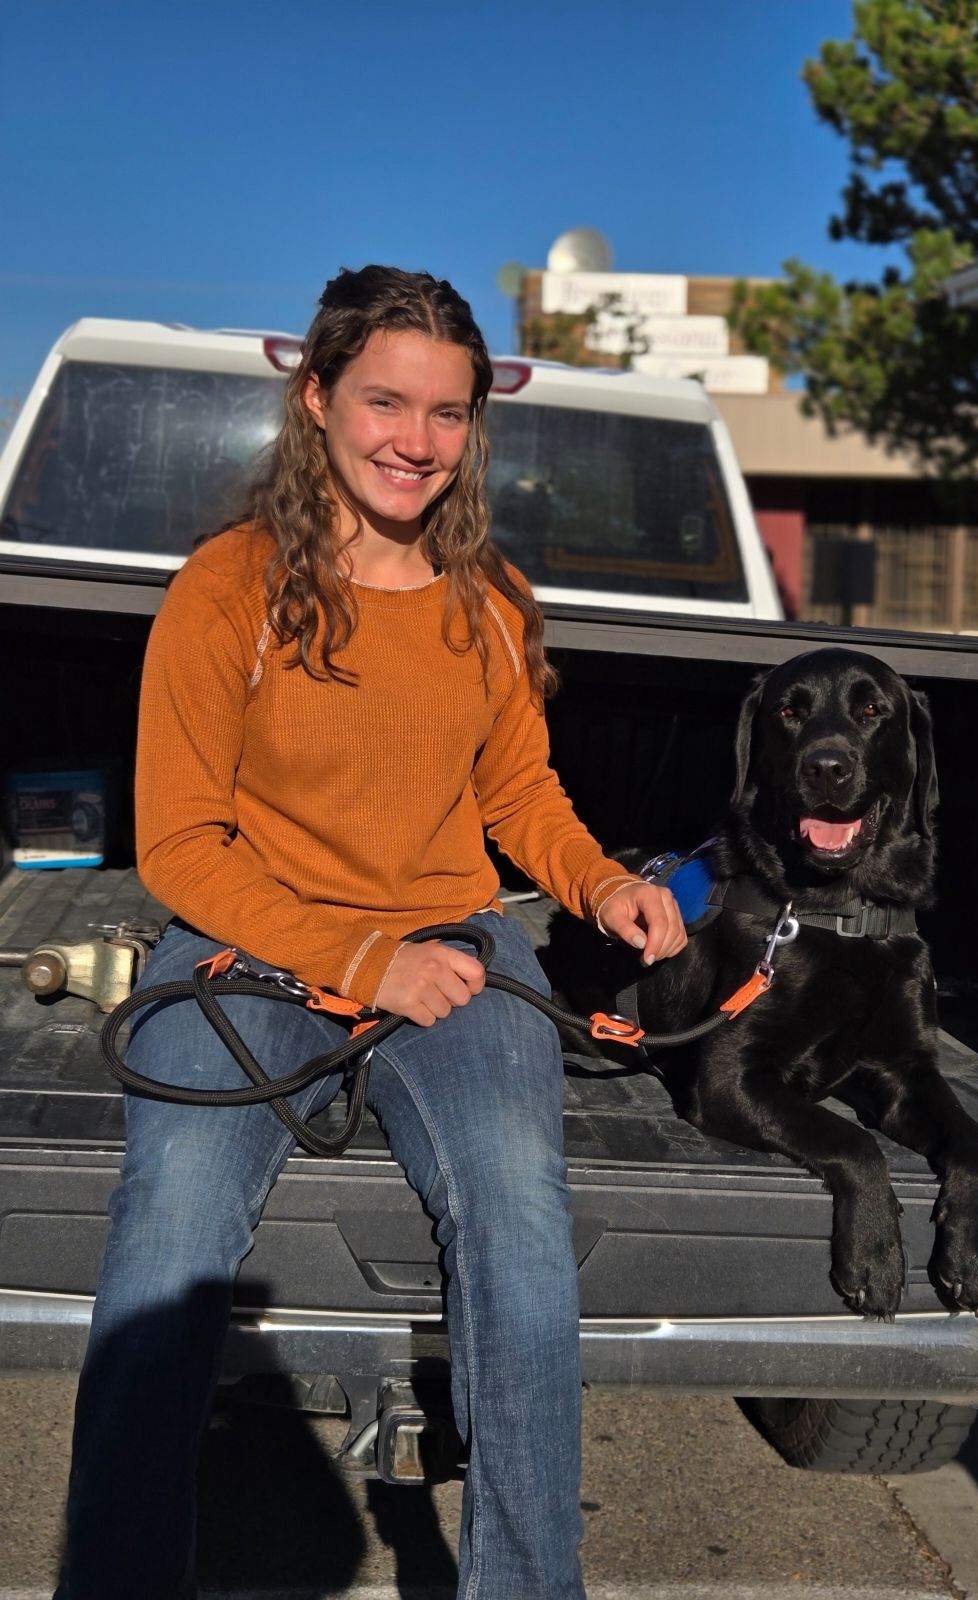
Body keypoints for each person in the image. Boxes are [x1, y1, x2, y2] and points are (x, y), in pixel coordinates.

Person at [55, 265, 687, 1600]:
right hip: (251, 945)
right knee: (170, 1234)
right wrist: (354, 960)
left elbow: (517, 790)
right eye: (388, 401)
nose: (416, 439)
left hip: (453, 946)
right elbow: (177, 844)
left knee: (517, 1221)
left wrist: (598, 885)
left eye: (448, 414)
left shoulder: (488, 596)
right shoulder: (228, 588)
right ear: (317, 400)